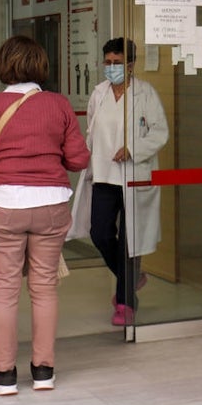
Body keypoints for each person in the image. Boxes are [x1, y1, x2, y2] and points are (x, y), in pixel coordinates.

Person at [0, 35, 90, 395]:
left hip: (5, 206)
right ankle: (43, 371)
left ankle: (4, 375)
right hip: (51, 206)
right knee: (44, 288)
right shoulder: (59, 105)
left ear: (3, 66)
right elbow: (78, 160)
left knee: (4, 290)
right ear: (41, 66)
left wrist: (4, 175)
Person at [70, 37, 169, 326]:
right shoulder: (98, 93)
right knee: (100, 233)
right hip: (102, 175)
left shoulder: (145, 93)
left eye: (117, 62)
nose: (111, 67)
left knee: (129, 241)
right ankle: (133, 278)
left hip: (134, 176)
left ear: (130, 64)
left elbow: (160, 133)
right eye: (108, 62)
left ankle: (125, 303)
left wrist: (133, 149)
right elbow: (90, 130)